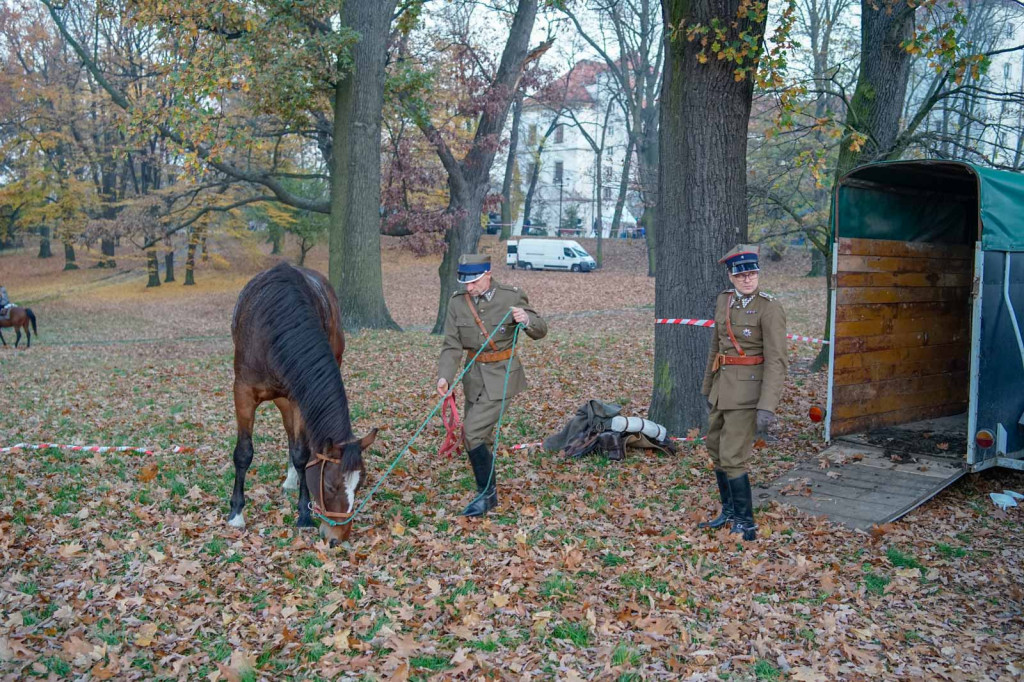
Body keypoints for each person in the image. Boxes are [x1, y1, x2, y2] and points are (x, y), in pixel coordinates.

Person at [436, 254, 548, 516]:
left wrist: (527, 320)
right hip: (473, 378)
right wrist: (445, 376)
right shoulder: (457, 303)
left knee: (472, 432)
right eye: (465, 281)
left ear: (488, 274)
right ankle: (490, 491)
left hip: (503, 377)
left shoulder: (511, 296)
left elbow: (541, 330)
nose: (469, 287)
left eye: (474, 281)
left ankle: (485, 496)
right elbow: (452, 345)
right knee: (481, 437)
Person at [698, 244, 787, 541]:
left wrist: (767, 405)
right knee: (715, 448)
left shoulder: (769, 307)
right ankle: (730, 512)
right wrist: (708, 387)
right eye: (742, 274)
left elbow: (777, 360)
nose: (748, 279)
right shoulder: (724, 300)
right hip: (723, 388)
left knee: (733, 455)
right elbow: (716, 345)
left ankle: (746, 524)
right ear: (731, 276)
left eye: (752, 273)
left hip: (748, 393)